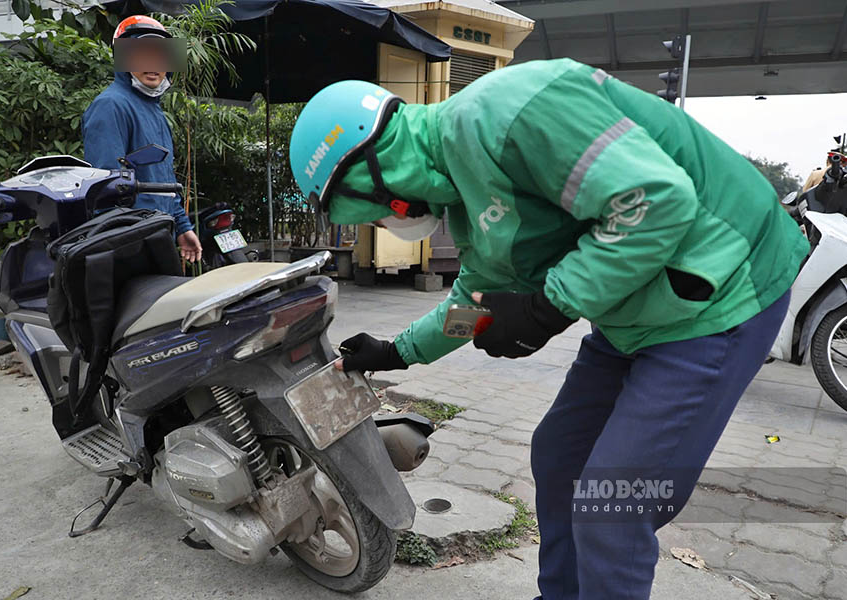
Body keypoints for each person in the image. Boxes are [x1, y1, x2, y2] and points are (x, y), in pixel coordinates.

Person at [288, 59, 808, 599]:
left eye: (371, 214)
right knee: (560, 455)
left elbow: (654, 201)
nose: (382, 225)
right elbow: (475, 302)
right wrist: (397, 352)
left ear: (372, 172)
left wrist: (548, 307)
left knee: (614, 500)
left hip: (721, 290)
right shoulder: (465, 197)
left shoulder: (509, 111)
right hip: (639, 313)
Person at [82, 15, 201, 263]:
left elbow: (164, 182)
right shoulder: (110, 105)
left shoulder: (155, 111)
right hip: (131, 244)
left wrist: (182, 227)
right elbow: (107, 189)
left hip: (159, 235)